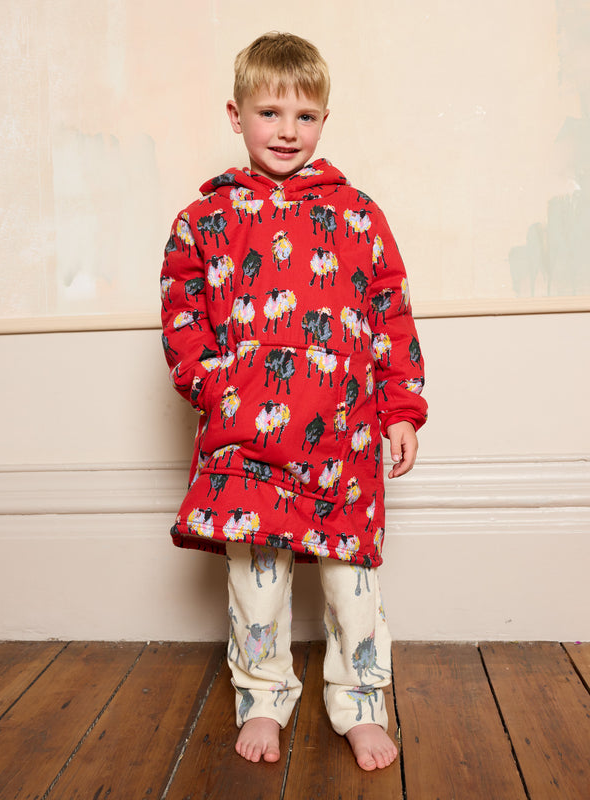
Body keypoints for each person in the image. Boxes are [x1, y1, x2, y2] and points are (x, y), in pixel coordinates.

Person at [160, 31, 427, 771]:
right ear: (236, 114)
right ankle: (264, 695)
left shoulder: (359, 217)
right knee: (257, 585)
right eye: (270, 112)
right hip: (247, 444)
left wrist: (401, 410)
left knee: (352, 585)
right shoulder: (203, 221)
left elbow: (390, 315)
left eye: (304, 116)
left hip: (343, 437)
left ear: (325, 121)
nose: (286, 130)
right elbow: (183, 323)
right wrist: (216, 391)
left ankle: (360, 700)